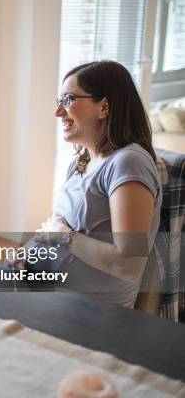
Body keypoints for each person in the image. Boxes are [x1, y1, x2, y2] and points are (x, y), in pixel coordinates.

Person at [33, 60, 162, 308]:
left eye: (68, 100)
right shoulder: (82, 161)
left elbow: (129, 264)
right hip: (50, 290)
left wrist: (64, 238)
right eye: (58, 101)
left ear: (104, 107)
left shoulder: (128, 163)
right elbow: (57, 224)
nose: (58, 112)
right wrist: (26, 255)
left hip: (91, 311)